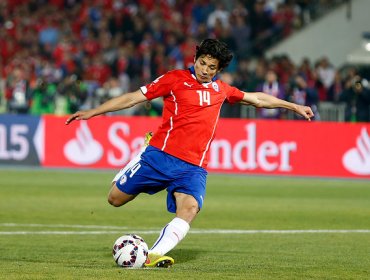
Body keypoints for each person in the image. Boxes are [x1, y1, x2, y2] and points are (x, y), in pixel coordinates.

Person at [65, 39, 314, 268]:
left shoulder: (222, 90)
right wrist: (93, 112)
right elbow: (132, 98)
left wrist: (293, 106)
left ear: (218, 70)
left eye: (211, 66)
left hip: (193, 167)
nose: (205, 69)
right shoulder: (174, 79)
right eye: (202, 62)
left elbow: (258, 99)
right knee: (115, 199)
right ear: (195, 59)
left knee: (190, 208)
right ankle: (140, 154)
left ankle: (153, 255)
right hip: (159, 156)